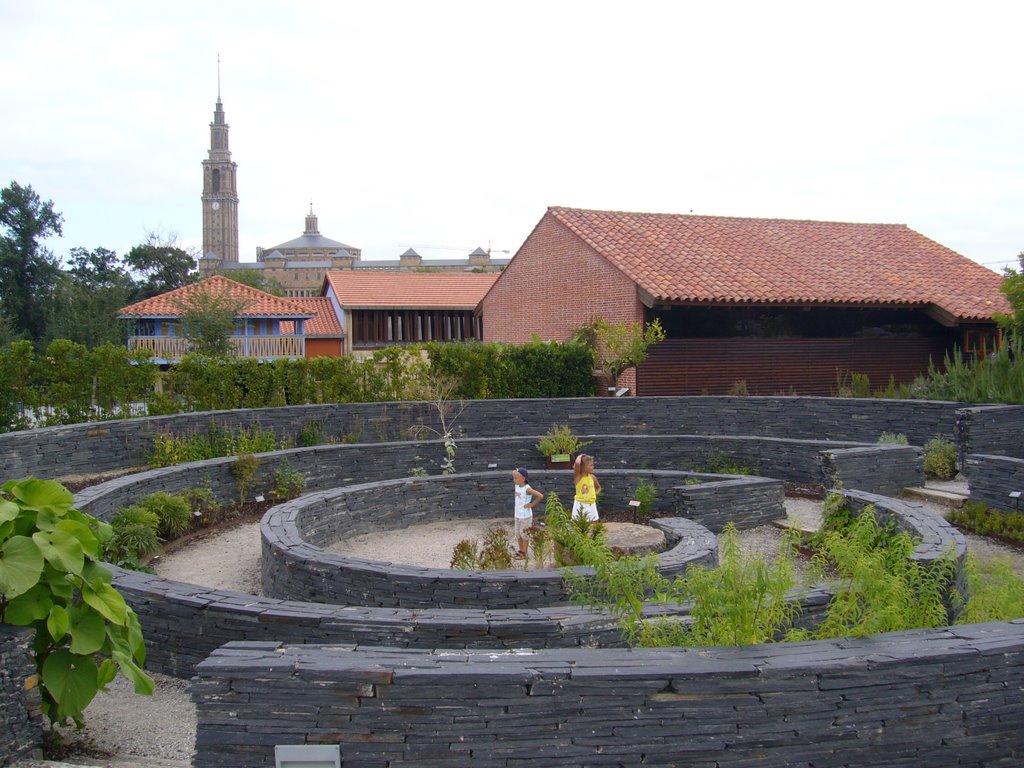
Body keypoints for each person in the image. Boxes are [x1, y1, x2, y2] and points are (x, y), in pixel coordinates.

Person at [512, 467, 544, 559]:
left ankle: (525, 553)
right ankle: (521, 550)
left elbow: (540, 496)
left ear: (523, 479)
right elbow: (514, 472)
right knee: (517, 533)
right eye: (514, 478)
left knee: (524, 534)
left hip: (525, 516)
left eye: (516, 478)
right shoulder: (517, 486)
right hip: (517, 514)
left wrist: (531, 504)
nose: (514, 480)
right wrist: (516, 472)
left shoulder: (527, 489)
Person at [572, 453, 601, 521]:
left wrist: (596, 493)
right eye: (590, 465)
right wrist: (581, 456)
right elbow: (577, 463)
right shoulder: (578, 477)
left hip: (592, 504)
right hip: (581, 505)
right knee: (581, 525)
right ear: (583, 467)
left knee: (594, 522)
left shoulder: (592, 477)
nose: (593, 467)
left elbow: (598, 487)